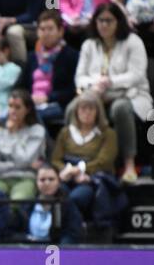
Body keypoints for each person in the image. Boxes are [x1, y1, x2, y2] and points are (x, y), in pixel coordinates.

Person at [75, 1, 152, 182]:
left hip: (131, 95)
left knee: (120, 108)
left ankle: (129, 164)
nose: (104, 25)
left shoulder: (133, 42)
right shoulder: (89, 45)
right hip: (97, 96)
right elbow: (79, 78)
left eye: (109, 20)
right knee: (73, 107)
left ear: (119, 22)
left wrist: (109, 82)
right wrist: (96, 84)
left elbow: (136, 75)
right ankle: (80, 162)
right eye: (100, 20)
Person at [50, 92, 122, 240]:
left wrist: (80, 169)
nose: (87, 113)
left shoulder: (108, 134)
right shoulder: (65, 132)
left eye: (91, 109)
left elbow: (105, 161)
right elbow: (56, 159)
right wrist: (67, 171)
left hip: (92, 178)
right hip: (67, 176)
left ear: (98, 112)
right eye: (83, 108)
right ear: (76, 111)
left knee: (76, 197)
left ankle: (72, 236)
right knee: (57, 194)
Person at [0, 89, 49, 213]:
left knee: (16, 203)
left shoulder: (37, 131)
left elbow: (24, 159)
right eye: (10, 106)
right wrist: (23, 165)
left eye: (17, 107)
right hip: (1, 179)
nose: (12, 111)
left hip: (26, 179)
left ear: (27, 109)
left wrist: (13, 134)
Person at [23, 9, 80, 124]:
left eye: (50, 29)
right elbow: (21, 85)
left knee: (31, 116)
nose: (46, 33)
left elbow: (72, 89)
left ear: (60, 31)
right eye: (42, 29)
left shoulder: (71, 55)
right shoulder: (32, 56)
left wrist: (48, 98)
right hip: (32, 103)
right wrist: (28, 99)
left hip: (57, 104)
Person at [25, 163, 85, 243]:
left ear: (58, 182)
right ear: (36, 182)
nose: (47, 183)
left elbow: (73, 233)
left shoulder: (67, 205)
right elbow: (16, 231)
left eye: (51, 179)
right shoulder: (28, 205)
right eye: (42, 180)